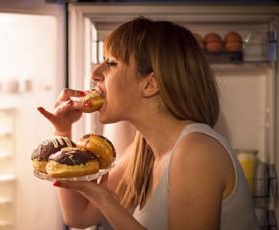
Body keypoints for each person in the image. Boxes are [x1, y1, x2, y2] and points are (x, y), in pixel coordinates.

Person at [37, 17, 259, 230]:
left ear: (150, 84)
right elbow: (79, 216)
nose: (95, 74)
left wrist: (108, 202)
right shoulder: (144, 151)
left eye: (111, 63)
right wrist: (63, 130)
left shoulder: (197, 151)